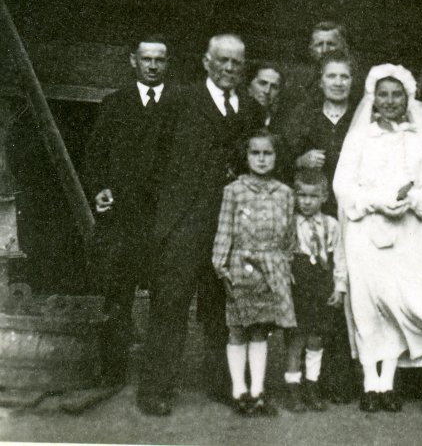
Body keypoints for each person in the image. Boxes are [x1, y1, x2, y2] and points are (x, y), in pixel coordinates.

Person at [136, 34, 263, 416]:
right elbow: (152, 160)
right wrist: (167, 214)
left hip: (232, 229)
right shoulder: (179, 99)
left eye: (236, 63)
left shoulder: (253, 111)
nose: (228, 68)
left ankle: (224, 385)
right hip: (184, 223)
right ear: (206, 62)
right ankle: (155, 390)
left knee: (224, 311)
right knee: (170, 308)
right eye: (221, 60)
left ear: (243, 67)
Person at [333, 64, 422, 413]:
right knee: (368, 304)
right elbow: (343, 185)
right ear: (373, 99)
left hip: (406, 231)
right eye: (383, 94)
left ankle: (388, 383)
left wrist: (413, 200)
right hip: (365, 230)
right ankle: (370, 383)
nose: (390, 101)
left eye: (397, 95)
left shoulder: (419, 139)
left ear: (408, 97)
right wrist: (374, 201)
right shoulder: (361, 137)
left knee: (398, 304)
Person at [84, 34, 178, 388]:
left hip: (163, 221)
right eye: (147, 59)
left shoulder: (179, 106)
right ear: (133, 61)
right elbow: (94, 157)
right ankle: (112, 372)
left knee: (165, 302)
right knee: (117, 296)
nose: (153, 65)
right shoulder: (114, 103)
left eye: (160, 59)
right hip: (122, 221)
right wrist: (99, 190)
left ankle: (157, 378)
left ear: (167, 63)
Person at [212, 129, 296, 417]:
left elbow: (289, 238)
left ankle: (258, 392)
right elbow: (224, 229)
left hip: (271, 268)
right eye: (255, 153)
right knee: (238, 329)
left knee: (261, 330)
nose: (261, 159)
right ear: (246, 156)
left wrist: (282, 264)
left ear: (276, 157)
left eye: (267, 153)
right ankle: (239, 391)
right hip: (240, 267)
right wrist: (221, 265)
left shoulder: (285, 193)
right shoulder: (234, 190)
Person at [284, 169, 348, 413]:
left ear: (323, 197)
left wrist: (339, 287)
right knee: (295, 339)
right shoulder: (289, 223)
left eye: (313, 196)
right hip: (298, 285)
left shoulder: (331, 225)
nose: (307, 201)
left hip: (321, 284)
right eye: (301, 195)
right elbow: (283, 255)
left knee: (316, 338)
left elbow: (339, 258)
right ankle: (293, 388)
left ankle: (312, 385)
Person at [282, 50, 355, 213]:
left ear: (352, 81)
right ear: (321, 82)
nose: (338, 83)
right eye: (331, 76)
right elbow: (283, 160)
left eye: (344, 77)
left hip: (352, 207)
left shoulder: (360, 118)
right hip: (313, 209)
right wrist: (301, 161)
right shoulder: (304, 117)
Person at [246, 61, 284, 130]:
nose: (267, 91)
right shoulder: (237, 118)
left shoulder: (279, 126)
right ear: (249, 87)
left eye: (274, 87)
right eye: (262, 83)